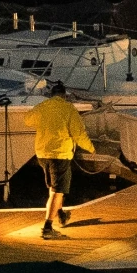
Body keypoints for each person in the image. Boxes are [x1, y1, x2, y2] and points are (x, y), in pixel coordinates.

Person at [29, 80, 92, 241]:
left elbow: (28, 119)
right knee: (58, 191)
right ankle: (47, 227)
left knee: (54, 187)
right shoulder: (68, 108)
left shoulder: (43, 107)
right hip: (60, 154)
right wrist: (91, 148)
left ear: (51, 95)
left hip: (42, 154)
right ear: (64, 95)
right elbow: (79, 134)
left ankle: (61, 214)